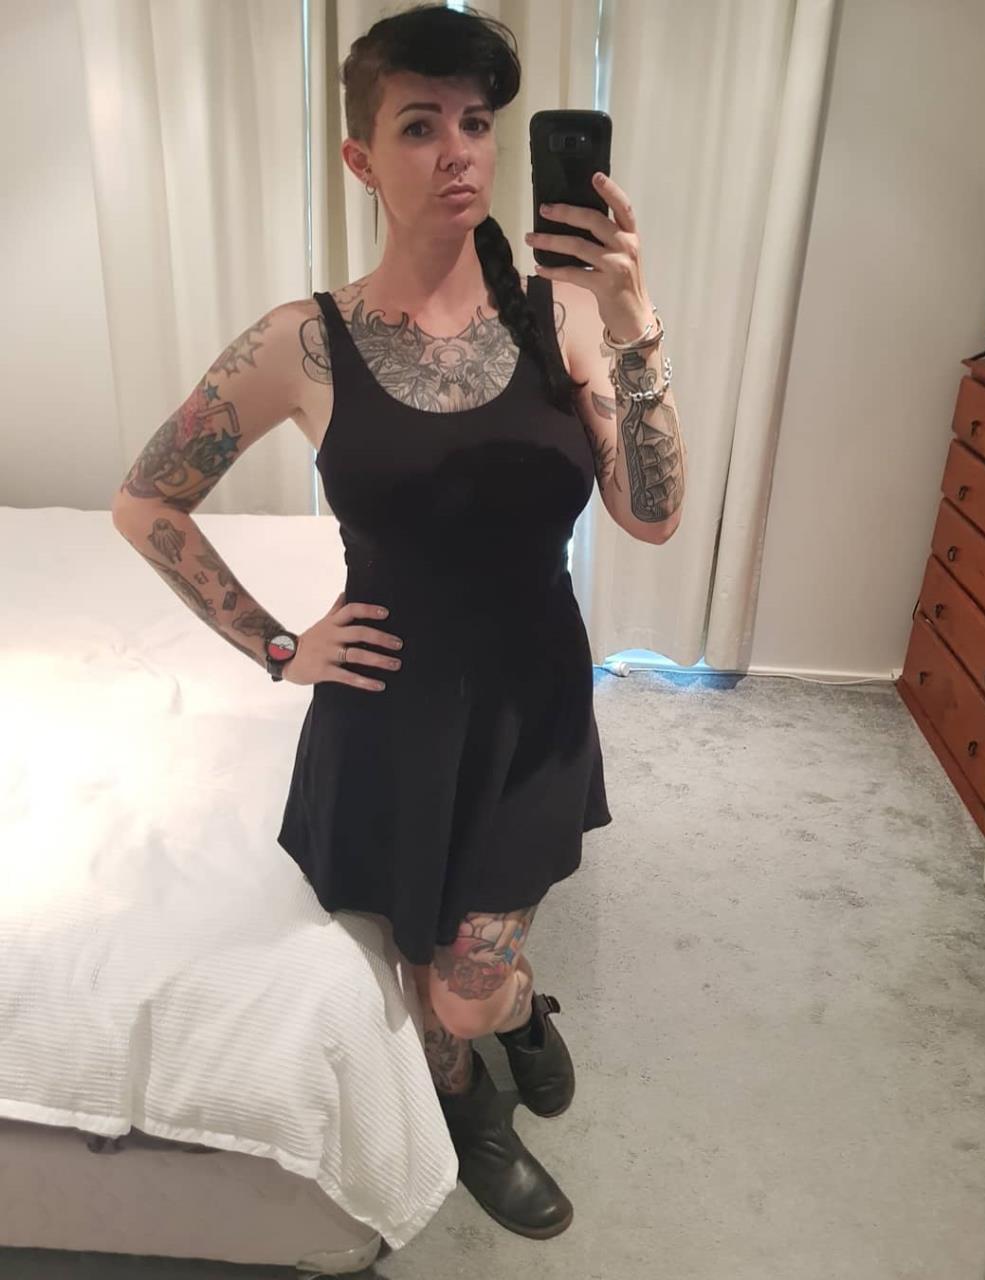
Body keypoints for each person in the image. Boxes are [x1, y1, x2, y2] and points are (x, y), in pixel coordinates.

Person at [112, 0, 673, 1244]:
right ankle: (475, 1107)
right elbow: (146, 501)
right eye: (420, 125)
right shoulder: (301, 341)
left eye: (476, 122)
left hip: (529, 706)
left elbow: (651, 515)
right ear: (361, 157)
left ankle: (512, 1014)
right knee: (420, 961)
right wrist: (276, 644)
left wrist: (634, 322)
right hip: (385, 709)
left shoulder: (563, 315)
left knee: (464, 989)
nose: (457, 151)